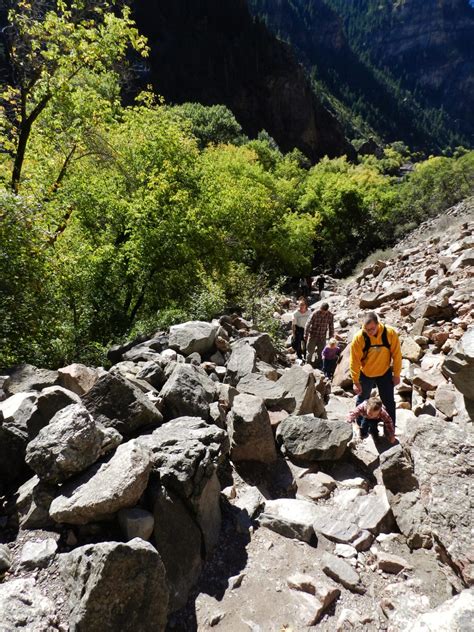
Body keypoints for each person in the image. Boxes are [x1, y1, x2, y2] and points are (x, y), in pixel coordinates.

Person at [350, 312, 401, 428]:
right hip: (366, 373)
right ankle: (361, 425)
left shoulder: (389, 333)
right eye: (367, 329)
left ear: (378, 324)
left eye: (372, 328)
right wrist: (355, 381)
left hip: (384, 372)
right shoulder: (359, 337)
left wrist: (397, 374)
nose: (370, 332)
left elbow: (397, 355)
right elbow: (355, 361)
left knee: (389, 401)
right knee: (363, 399)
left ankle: (390, 428)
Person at [304, 302, 334, 368]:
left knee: (320, 352)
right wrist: (306, 335)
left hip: (322, 337)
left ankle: (317, 365)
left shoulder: (330, 315)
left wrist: (331, 337)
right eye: (321, 311)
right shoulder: (315, 313)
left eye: (324, 312)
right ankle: (307, 364)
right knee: (310, 352)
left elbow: (331, 327)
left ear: (327, 310)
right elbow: (308, 324)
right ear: (320, 308)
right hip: (313, 335)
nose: (322, 313)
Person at [292, 298, 310, 362]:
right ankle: (299, 356)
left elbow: (312, 321)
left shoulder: (309, 312)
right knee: (298, 343)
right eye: (300, 305)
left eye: (302, 305)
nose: (301, 306)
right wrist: (293, 334)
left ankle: (305, 355)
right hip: (298, 329)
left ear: (305, 305)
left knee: (306, 343)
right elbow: (293, 324)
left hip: (307, 329)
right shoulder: (296, 313)